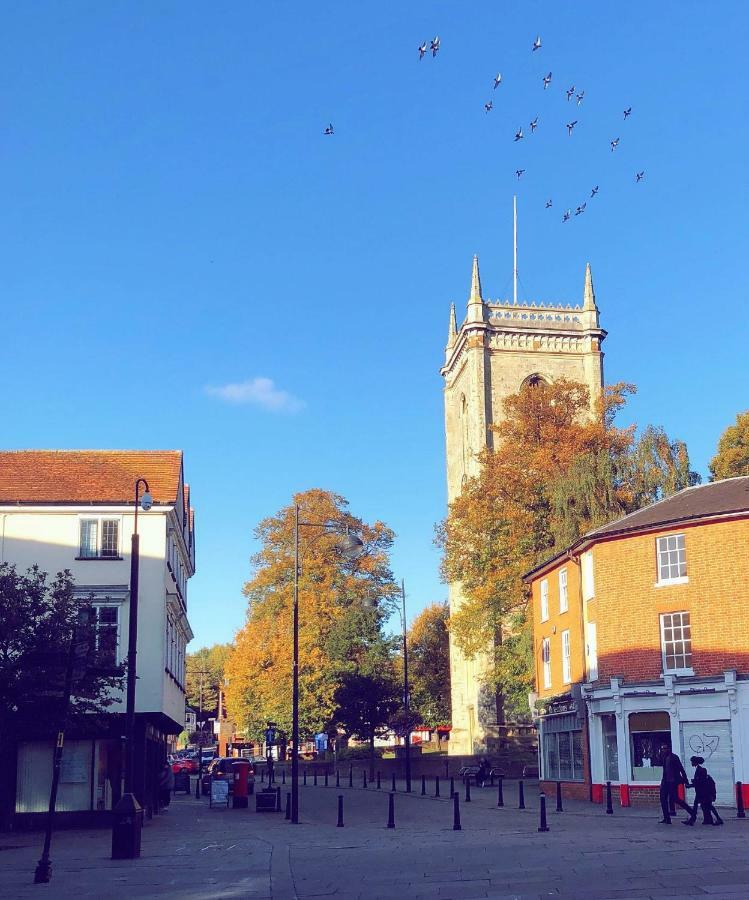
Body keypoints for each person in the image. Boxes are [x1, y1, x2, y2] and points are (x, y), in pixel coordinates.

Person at [685, 756, 724, 826]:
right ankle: (706, 820)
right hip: (700, 792)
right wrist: (694, 782)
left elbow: (701, 782)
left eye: (692, 762)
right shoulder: (698, 769)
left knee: (707, 806)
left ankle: (718, 819)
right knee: (703, 806)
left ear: (695, 762)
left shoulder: (702, 770)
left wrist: (692, 784)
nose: (691, 763)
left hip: (703, 792)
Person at [658, 743, 692, 824]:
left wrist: (686, 781)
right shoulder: (663, 757)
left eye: (665, 748)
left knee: (676, 799)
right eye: (662, 749)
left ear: (669, 749)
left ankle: (692, 811)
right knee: (663, 799)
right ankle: (667, 818)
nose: (664, 750)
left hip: (673, 781)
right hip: (665, 781)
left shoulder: (674, 757)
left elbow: (681, 769)